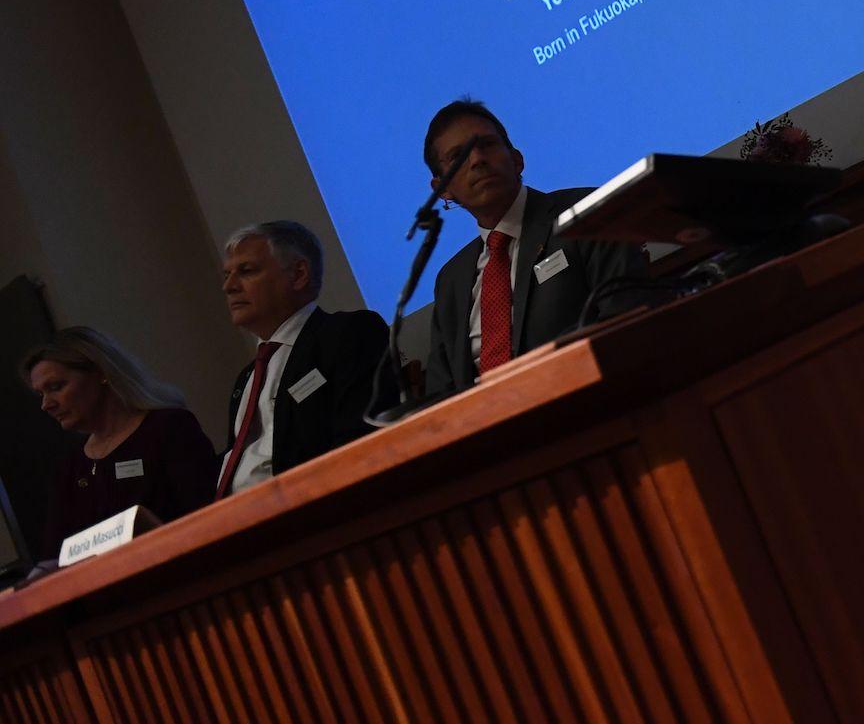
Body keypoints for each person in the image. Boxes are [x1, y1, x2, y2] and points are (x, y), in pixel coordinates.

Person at [421, 99, 646, 398]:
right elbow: (439, 396)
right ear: (442, 190)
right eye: (458, 156)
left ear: (516, 160)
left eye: (487, 144)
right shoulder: (451, 280)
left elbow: (627, 322)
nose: (477, 159)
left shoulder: (583, 213)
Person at [218, 221, 392, 499]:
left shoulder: (348, 334)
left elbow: (359, 441)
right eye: (227, 275)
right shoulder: (246, 379)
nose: (229, 286)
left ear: (298, 274)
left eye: (246, 271)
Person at [20, 328, 217, 562]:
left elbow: (207, 519)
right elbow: (54, 559)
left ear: (101, 372)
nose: (46, 405)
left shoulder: (168, 429)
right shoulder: (70, 467)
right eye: (40, 394)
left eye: (56, 387)